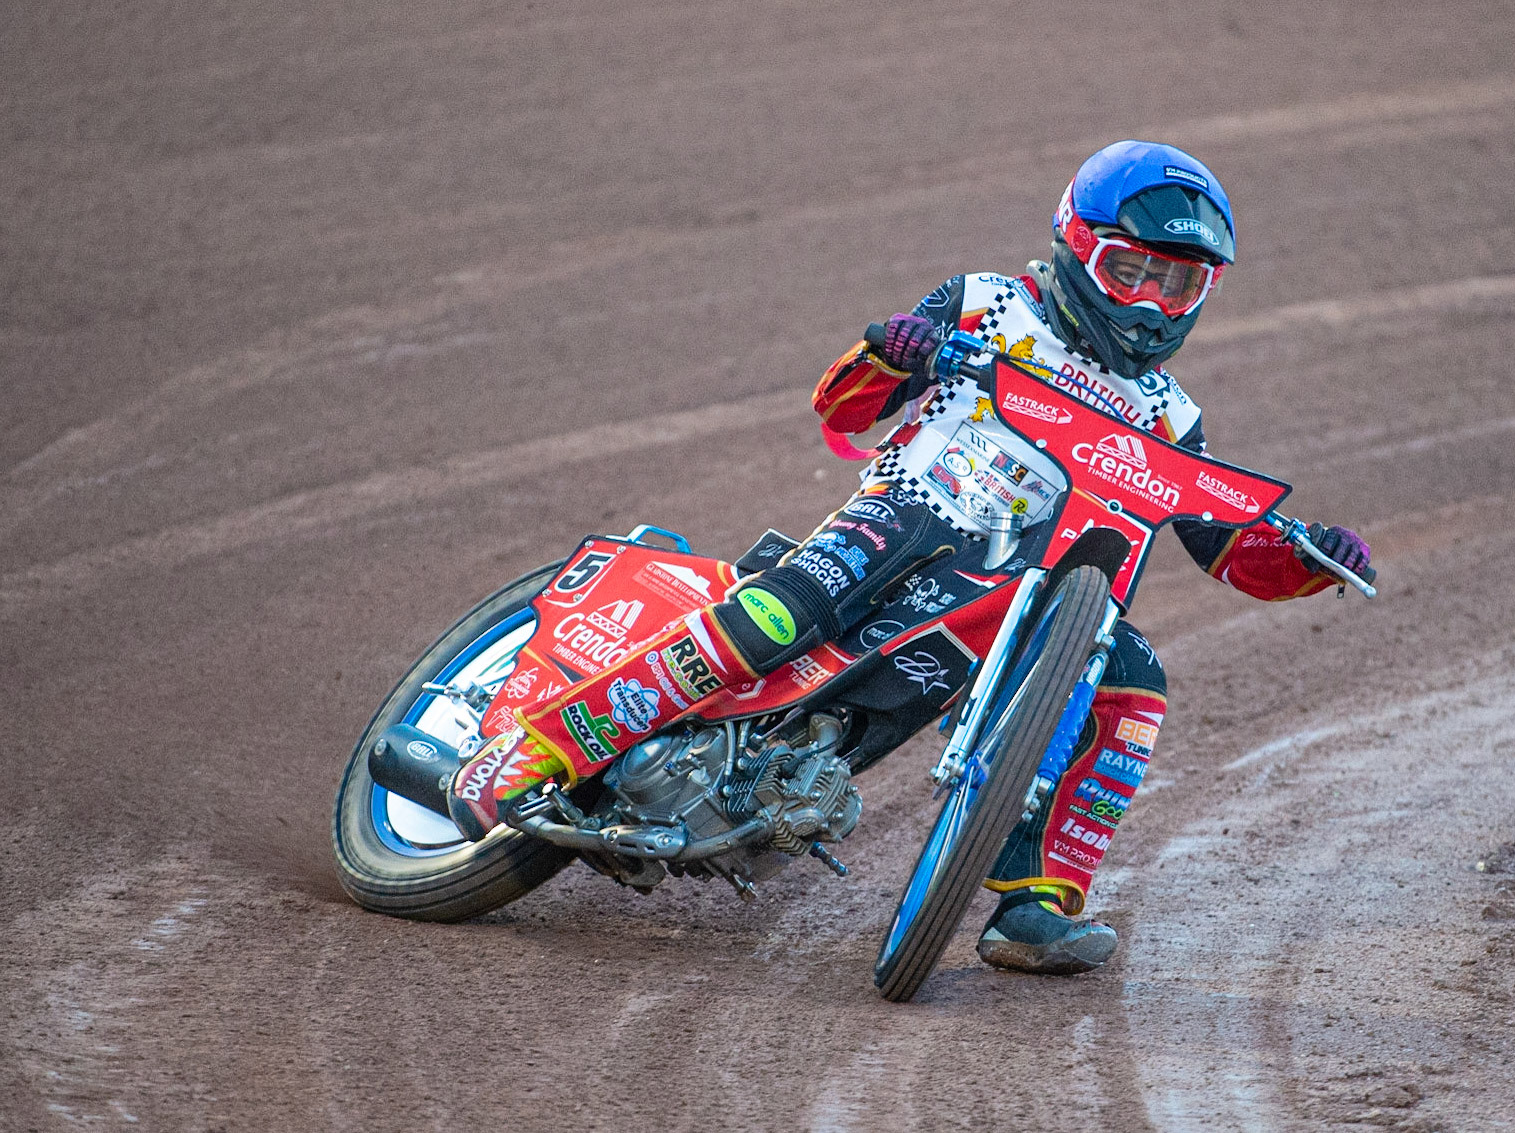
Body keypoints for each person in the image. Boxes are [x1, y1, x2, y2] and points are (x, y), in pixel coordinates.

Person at [448, 140, 1372, 976]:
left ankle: (1034, 903)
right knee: (780, 614)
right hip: (909, 520)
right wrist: (895, 352)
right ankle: (541, 746)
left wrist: (1307, 558)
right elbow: (844, 407)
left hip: (1030, 596)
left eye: (1176, 286)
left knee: (1134, 686)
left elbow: (1229, 549)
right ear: (1072, 243)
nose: (1147, 302)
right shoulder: (989, 304)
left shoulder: (1172, 419)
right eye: (1126, 270)